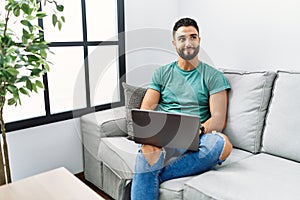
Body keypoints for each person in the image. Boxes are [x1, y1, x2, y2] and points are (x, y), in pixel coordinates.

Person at [131, 17, 233, 200]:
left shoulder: (213, 76)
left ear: (199, 40)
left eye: (193, 37)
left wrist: (196, 131)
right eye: (182, 38)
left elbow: (218, 120)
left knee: (222, 143)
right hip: (164, 133)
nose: (188, 42)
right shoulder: (162, 73)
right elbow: (146, 109)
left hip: (197, 135)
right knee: (147, 148)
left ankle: (149, 174)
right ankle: (149, 171)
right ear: (174, 43)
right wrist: (159, 130)